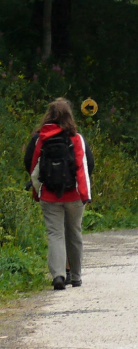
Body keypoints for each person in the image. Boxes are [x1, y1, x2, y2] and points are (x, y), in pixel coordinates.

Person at [23, 98, 93, 290]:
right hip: (74, 195)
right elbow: (86, 166)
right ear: (69, 116)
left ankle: (59, 276)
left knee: (55, 234)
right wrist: (85, 195)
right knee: (74, 233)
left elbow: (31, 164)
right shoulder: (77, 139)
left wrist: (38, 190)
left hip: (50, 195)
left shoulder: (40, 138)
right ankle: (76, 277)